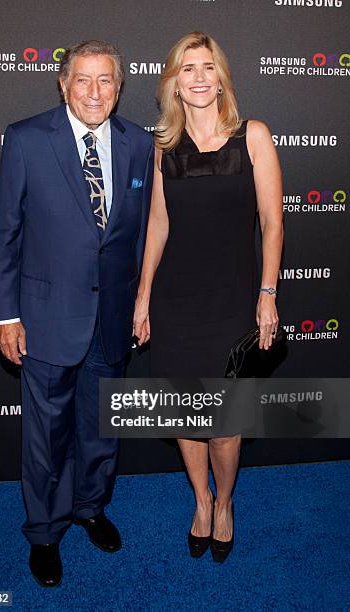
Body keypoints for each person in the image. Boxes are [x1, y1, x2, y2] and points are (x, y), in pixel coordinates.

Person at [0, 40, 153, 587]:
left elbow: (131, 237)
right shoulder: (27, 139)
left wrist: (138, 302)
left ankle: (89, 507)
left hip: (111, 319)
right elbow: (6, 234)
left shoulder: (137, 143)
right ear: (63, 84)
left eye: (105, 80)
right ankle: (43, 531)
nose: (94, 92)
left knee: (101, 431)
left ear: (119, 86)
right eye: (82, 80)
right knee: (45, 438)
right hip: (44, 318)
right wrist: (5, 314)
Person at [133, 32, 283, 563]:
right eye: (185, 69)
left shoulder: (254, 136)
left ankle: (226, 504)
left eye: (206, 67)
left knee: (223, 426)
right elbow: (157, 224)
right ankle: (201, 501)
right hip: (177, 300)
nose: (197, 77)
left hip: (232, 301)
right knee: (185, 418)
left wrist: (267, 294)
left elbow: (272, 222)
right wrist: (144, 294)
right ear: (172, 83)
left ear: (221, 76)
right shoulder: (163, 147)